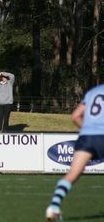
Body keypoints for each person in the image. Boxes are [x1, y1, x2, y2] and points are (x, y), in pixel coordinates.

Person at [45, 84, 104, 221]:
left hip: (86, 137)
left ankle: (53, 207)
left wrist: (88, 129)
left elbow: (75, 116)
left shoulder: (93, 92)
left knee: (72, 173)